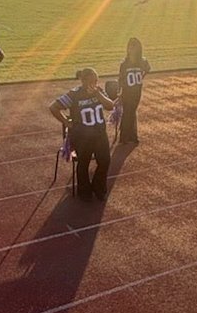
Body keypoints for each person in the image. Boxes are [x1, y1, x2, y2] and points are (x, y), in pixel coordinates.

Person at [49, 68, 115, 201]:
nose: (94, 84)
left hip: (99, 134)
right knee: (83, 163)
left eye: (96, 80)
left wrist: (98, 95)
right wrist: (66, 122)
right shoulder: (74, 95)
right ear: (83, 81)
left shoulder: (99, 91)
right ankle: (84, 191)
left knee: (105, 161)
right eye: (91, 81)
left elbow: (110, 106)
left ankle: (98, 187)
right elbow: (54, 107)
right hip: (82, 137)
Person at [116, 37, 151, 144]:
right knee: (129, 113)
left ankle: (129, 136)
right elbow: (121, 79)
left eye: (134, 46)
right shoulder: (124, 63)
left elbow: (148, 69)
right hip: (127, 92)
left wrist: (141, 77)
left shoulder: (143, 61)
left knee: (130, 113)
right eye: (130, 46)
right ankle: (127, 136)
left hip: (137, 92)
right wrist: (119, 92)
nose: (131, 49)